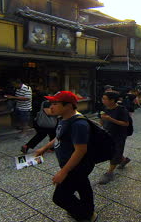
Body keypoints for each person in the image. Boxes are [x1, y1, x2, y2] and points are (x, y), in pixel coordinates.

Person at [34, 91, 98, 222]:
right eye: (51, 103)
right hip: (73, 165)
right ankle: (88, 211)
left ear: (68, 106)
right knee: (83, 186)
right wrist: (45, 147)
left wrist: (63, 172)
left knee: (60, 197)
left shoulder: (78, 124)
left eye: (55, 104)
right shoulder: (64, 119)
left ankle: (84, 215)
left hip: (76, 166)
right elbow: (59, 137)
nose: (51, 107)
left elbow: (80, 151)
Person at [98, 91, 131, 185]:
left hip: (119, 135)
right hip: (108, 133)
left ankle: (109, 173)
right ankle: (124, 160)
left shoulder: (121, 110)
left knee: (115, 152)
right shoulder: (105, 107)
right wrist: (101, 124)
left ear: (112, 100)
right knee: (112, 150)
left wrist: (110, 119)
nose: (102, 100)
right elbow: (102, 118)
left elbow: (126, 123)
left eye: (104, 99)